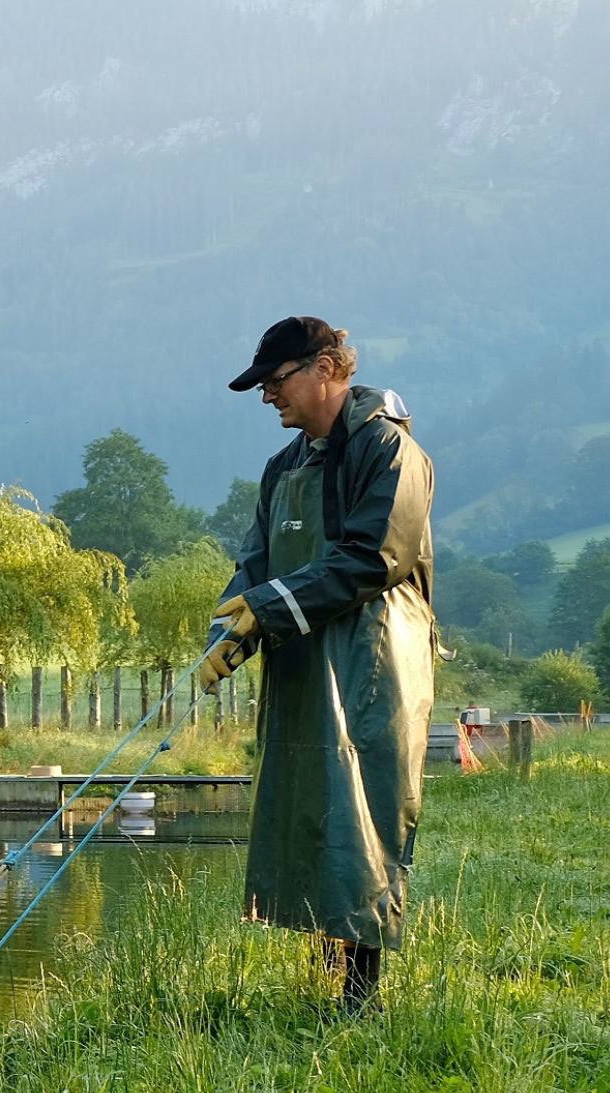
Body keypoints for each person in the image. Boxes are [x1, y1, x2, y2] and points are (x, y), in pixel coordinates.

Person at [198, 316, 436, 1013]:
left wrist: (268, 610)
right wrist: (228, 635)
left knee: (360, 809)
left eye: (277, 381)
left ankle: (361, 997)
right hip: (303, 659)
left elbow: (375, 556)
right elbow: (256, 565)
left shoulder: (390, 451)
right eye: (263, 387)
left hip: (373, 660)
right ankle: (325, 980)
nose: (268, 397)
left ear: (329, 366)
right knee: (304, 805)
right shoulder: (284, 468)